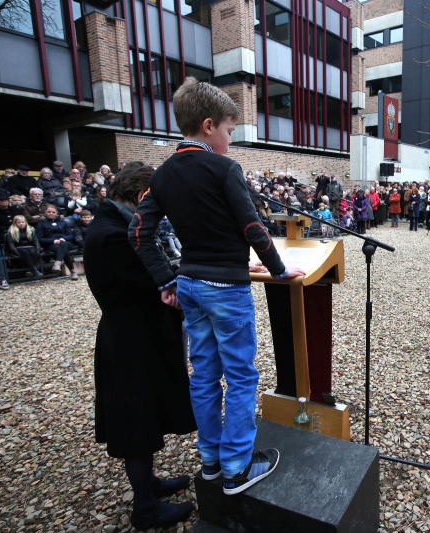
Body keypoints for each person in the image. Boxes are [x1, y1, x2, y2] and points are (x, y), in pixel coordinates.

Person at [128, 78, 305, 500]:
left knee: (205, 376)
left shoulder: (164, 173)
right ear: (209, 126)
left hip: (189, 285)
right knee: (242, 377)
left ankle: (209, 459)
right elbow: (252, 227)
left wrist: (165, 279)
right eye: (228, 131)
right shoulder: (225, 169)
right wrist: (278, 270)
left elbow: (139, 234)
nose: (230, 140)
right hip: (225, 289)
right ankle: (237, 467)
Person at [83, 162, 197, 530]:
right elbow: (152, 283)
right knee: (136, 423)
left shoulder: (116, 225)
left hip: (137, 334)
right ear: (140, 196)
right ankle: (145, 509)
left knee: (147, 415)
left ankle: (149, 484)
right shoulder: (113, 235)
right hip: (130, 341)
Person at [37, 204, 78, 280]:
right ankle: (73, 272)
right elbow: (40, 239)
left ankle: (58, 264)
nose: (51, 213)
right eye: (49, 212)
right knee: (64, 250)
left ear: (57, 213)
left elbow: (70, 236)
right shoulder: (41, 224)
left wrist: (63, 238)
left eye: (53, 212)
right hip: (50, 244)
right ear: (45, 212)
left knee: (64, 244)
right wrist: (53, 240)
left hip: (64, 242)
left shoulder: (63, 223)